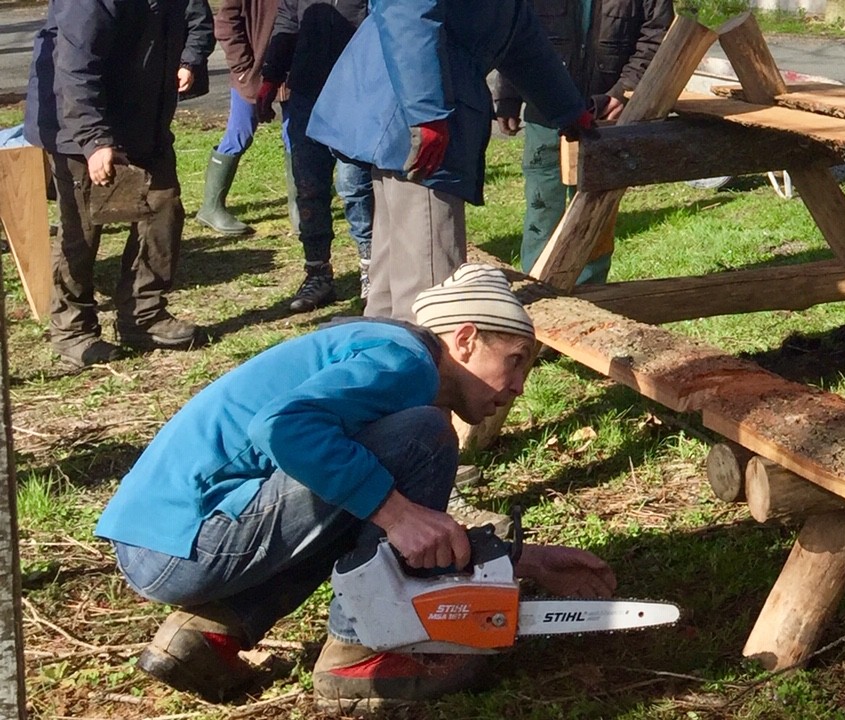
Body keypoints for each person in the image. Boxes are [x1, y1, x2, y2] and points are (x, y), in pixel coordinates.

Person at [98, 263, 617, 710]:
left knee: (362, 486)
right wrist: (396, 514)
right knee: (422, 437)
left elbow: (355, 501)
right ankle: (362, 650)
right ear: (465, 339)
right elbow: (283, 428)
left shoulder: (380, 353)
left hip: (165, 542)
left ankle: (212, 631)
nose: (519, 386)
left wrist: (520, 560)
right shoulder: (407, 362)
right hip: (188, 540)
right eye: (516, 360)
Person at [306, 0, 594, 323]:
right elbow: (407, 10)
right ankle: (423, 371)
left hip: (409, 117)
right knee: (430, 301)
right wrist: (426, 113)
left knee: (389, 294)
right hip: (416, 124)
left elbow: (518, 34)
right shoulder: (425, 115)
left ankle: (387, 366)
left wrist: (569, 109)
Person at [24, 0, 214, 371]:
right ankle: (72, 331)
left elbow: (195, 19)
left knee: (163, 207)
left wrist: (189, 59)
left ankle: (143, 316)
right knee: (82, 228)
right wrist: (94, 140)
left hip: (144, 115)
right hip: (77, 123)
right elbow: (75, 68)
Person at [495, 0, 673, 285]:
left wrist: (625, 90)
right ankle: (536, 293)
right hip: (545, 109)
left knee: (596, 210)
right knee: (542, 208)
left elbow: (657, 33)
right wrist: (508, 98)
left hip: (604, 112)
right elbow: (515, 33)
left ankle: (590, 294)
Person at [255, 0, 374, 312]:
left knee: (354, 186)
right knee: (308, 187)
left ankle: (371, 269)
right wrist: (271, 76)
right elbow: (287, 21)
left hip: (358, 94)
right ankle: (317, 272)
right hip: (307, 94)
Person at [194, 0, 298, 238]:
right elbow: (224, 24)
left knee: (295, 136)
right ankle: (211, 207)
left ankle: (299, 207)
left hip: (293, 72)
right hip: (251, 71)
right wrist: (243, 70)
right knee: (239, 134)